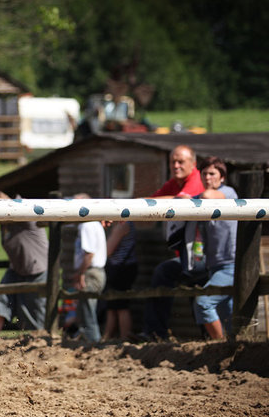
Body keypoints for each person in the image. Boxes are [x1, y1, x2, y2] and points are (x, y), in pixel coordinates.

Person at [143, 145, 206, 340]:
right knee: (166, 276)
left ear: (193, 164)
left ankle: (212, 339)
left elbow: (178, 202)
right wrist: (122, 210)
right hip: (188, 254)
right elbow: (152, 202)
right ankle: (156, 333)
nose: (176, 165)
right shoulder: (175, 183)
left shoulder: (196, 180)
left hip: (204, 254)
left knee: (201, 293)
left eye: (181, 161)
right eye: (173, 162)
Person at [187, 156, 238, 340]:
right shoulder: (202, 198)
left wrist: (189, 198)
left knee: (203, 302)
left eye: (212, 173)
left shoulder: (228, 193)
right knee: (229, 315)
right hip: (215, 266)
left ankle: (220, 346)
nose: (207, 178)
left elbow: (208, 195)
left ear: (222, 177)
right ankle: (232, 348)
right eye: (204, 174)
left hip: (231, 265)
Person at [0, 191, 48, 333]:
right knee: (0, 300)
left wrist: (10, 202)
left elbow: (24, 205)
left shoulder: (23, 214)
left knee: (33, 308)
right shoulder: (4, 224)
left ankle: (39, 340)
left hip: (36, 268)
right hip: (17, 268)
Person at [67, 193, 107, 343]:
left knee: (87, 311)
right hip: (91, 271)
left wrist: (80, 274)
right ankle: (87, 341)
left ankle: (94, 342)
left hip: (91, 272)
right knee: (84, 310)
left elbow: (89, 254)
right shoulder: (90, 223)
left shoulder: (87, 224)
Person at [102, 221, 137, 341]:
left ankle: (124, 337)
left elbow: (107, 250)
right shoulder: (127, 224)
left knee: (121, 305)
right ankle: (108, 337)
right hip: (123, 267)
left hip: (121, 269)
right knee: (113, 305)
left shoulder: (122, 225)